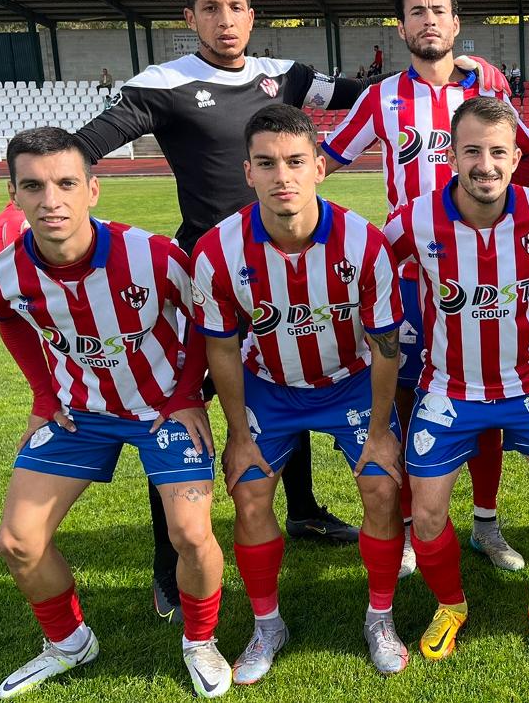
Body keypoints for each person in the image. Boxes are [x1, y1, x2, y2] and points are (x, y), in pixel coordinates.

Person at [0, 0, 510, 624]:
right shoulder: (163, 84)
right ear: (189, 19)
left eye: (237, 7)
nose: (226, 20)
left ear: (252, 16)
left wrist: (457, 66)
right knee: (174, 411)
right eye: (211, 9)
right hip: (207, 267)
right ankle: (171, 561)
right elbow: (86, 144)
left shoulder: (284, 75)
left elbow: (371, 94)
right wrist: (22, 206)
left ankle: (303, 510)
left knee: (298, 370)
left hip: (299, 257)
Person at [321, 0, 529, 579]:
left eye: (438, 10)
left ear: (455, 22)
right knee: (415, 401)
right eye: (416, 11)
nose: (428, 20)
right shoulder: (381, 97)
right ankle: (412, 527)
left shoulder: (485, 82)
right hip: (414, 278)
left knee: (485, 389)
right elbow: (326, 160)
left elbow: (526, 156)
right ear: (402, 25)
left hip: (489, 266)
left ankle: (485, 522)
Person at [0, 128, 229, 698]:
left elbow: (205, 321)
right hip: (78, 414)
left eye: (66, 183)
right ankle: (69, 643)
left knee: (190, 533)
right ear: (14, 194)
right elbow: (9, 320)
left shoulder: (154, 255)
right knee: (18, 541)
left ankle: (200, 640)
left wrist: (189, 392)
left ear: (93, 189)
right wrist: (44, 395)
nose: (51, 200)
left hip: (162, 409)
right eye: (34, 186)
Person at [193, 105, 408, 679]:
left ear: (318, 166)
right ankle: (268, 625)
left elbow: (386, 344)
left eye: (294, 162)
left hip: (351, 383)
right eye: (267, 164)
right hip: (269, 388)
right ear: (248, 172)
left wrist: (383, 431)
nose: (281, 176)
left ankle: (380, 618)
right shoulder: (218, 251)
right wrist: (238, 435)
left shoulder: (363, 243)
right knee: (249, 493)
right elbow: (220, 348)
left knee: (381, 490)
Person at [384, 96, 529, 659]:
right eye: (472, 150)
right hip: (448, 388)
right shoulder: (412, 221)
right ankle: (450, 603)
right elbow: (368, 280)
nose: (486, 164)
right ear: (451, 154)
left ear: (517, 157)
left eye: (498, 151)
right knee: (424, 515)